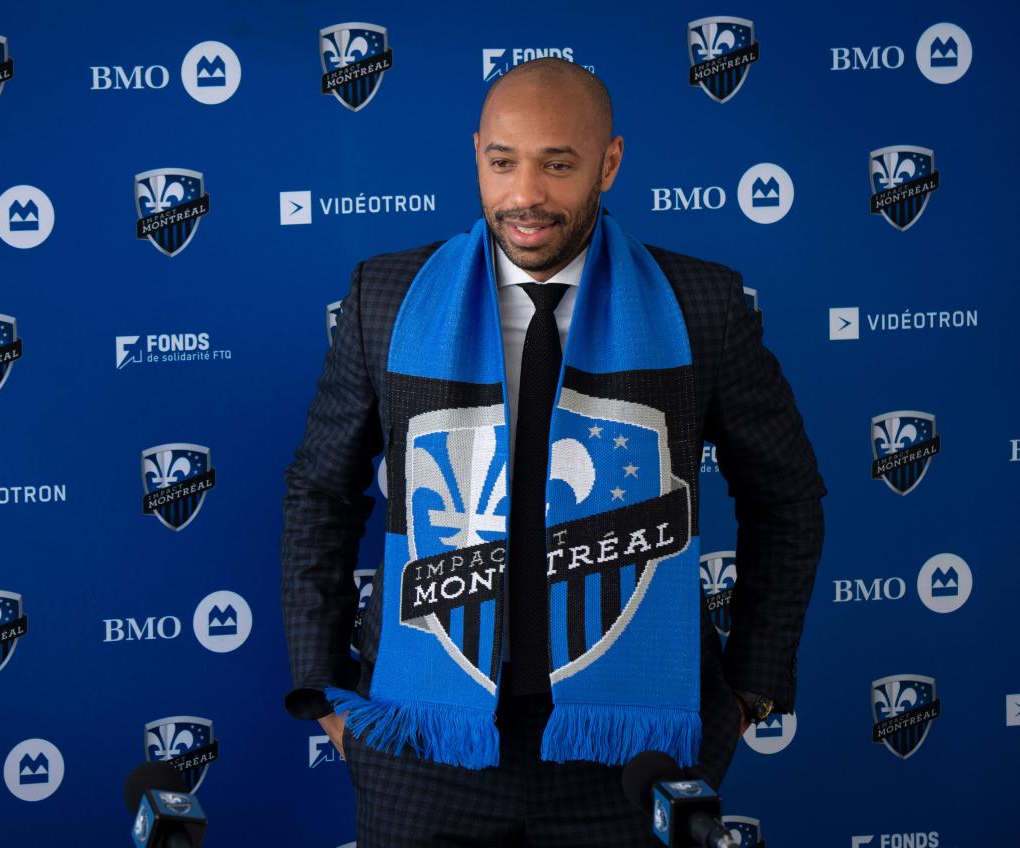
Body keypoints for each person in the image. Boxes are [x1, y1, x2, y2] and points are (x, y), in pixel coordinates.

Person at [281, 58, 824, 847]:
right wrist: (327, 693)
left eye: (558, 165)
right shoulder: (388, 297)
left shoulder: (700, 306)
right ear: (477, 155)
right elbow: (320, 493)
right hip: (421, 740)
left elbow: (787, 498)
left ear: (609, 163)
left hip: (635, 752)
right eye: (503, 162)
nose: (526, 195)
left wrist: (746, 693)